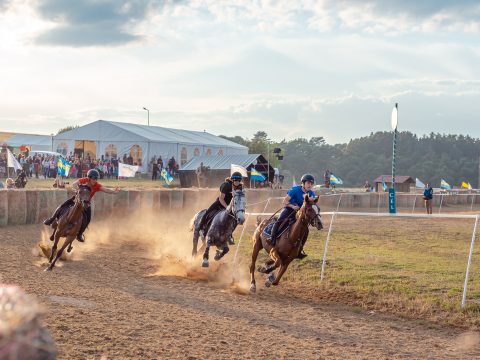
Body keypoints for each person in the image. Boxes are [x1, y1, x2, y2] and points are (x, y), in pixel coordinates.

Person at [43, 169, 120, 242]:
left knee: (88, 219)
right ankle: (51, 219)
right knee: (62, 206)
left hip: (86, 204)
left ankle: (79, 234)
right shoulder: (84, 180)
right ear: (89, 178)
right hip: (77, 200)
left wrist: (114, 191)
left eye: (96, 178)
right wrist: (79, 190)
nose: (95, 180)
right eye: (93, 178)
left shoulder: (97, 185)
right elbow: (74, 184)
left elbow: (106, 189)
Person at [270, 173, 316, 259]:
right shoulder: (295, 189)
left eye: (311, 183)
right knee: (279, 220)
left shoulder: (311, 193)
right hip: (290, 209)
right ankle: (272, 239)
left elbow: (312, 203)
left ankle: (300, 249)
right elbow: (285, 201)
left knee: (305, 230)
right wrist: (293, 206)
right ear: (303, 183)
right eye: (308, 183)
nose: (310, 185)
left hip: (301, 213)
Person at [198, 172, 243, 243]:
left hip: (230, 206)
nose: (237, 182)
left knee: (235, 219)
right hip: (220, 204)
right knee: (207, 213)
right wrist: (227, 207)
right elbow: (221, 198)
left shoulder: (240, 187)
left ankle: (229, 235)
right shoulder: (226, 185)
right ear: (232, 180)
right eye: (236, 180)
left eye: (239, 180)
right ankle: (201, 229)